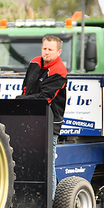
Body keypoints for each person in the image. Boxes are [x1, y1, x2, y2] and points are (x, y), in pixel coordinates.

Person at [16, 35, 67, 199]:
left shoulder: (59, 70)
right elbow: (25, 88)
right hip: (29, 119)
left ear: (58, 52)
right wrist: (22, 101)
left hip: (49, 122)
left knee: (47, 164)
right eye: (44, 48)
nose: (46, 52)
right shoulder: (34, 63)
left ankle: (49, 204)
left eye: (50, 49)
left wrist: (21, 100)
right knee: (26, 161)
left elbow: (45, 98)